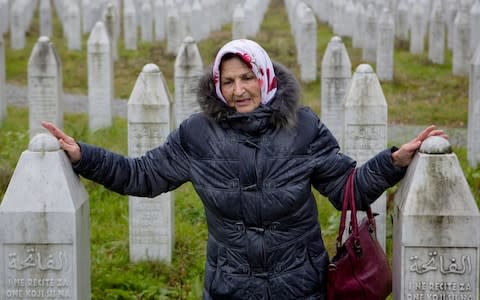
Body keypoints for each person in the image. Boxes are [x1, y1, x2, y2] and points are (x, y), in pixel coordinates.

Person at [42, 39, 447, 299]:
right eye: (229, 80)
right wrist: (84, 155)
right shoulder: (197, 135)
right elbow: (141, 176)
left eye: (247, 77)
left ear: (265, 76)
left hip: (300, 286)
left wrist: (392, 162)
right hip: (230, 286)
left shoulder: (302, 127)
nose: (238, 90)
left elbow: (348, 188)